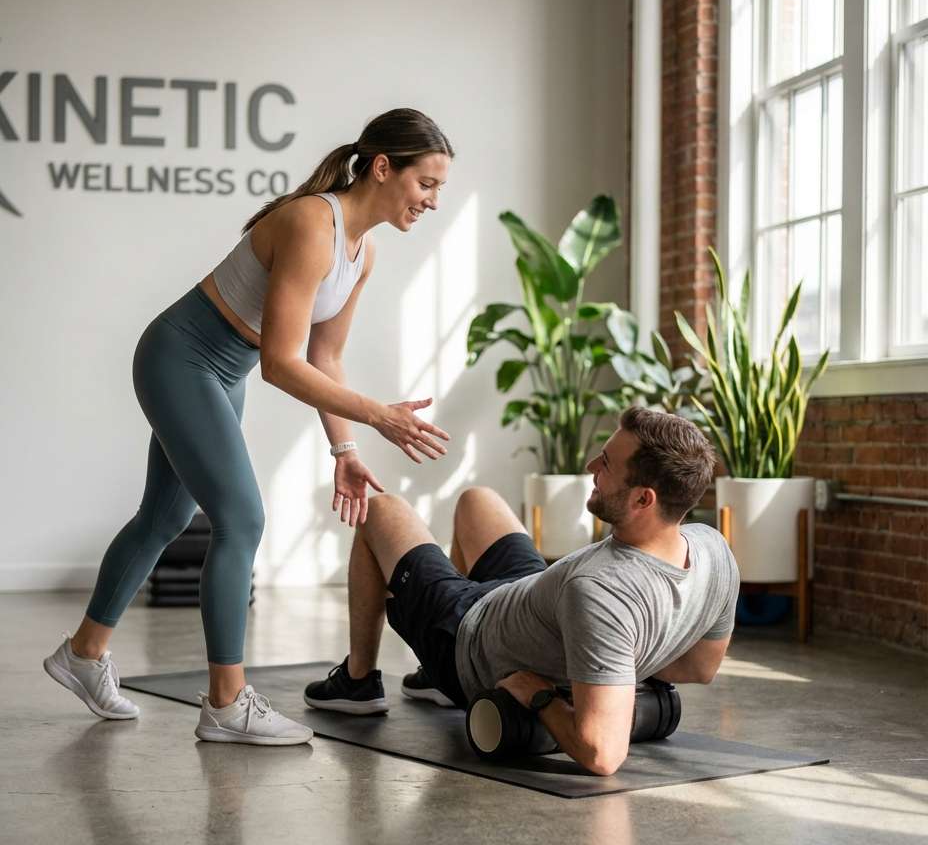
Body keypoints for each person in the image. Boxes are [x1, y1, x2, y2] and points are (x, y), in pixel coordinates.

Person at [44, 108, 454, 746]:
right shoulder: (313, 223)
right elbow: (281, 364)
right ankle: (226, 702)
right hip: (181, 358)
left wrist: (344, 449)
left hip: (220, 369)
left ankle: (83, 654)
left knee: (163, 519)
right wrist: (378, 415)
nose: (431, 201)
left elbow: (325, 358)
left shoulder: (361, 251)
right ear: (383, 167)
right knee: (243, 519)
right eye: (426, 183)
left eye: (439, 189)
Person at [304, 407, 740, 775]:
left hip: (467, 636)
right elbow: (700, 667)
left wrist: (540, 694)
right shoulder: (714, 550)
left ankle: (357, 682)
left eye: (606, 465)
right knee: (478, 500)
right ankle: (429, 682)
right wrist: (618, 668)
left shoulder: (600, 593)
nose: (591, 466)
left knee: (377, 509)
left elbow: (602, 754)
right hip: (532, 598)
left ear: (643, 500)